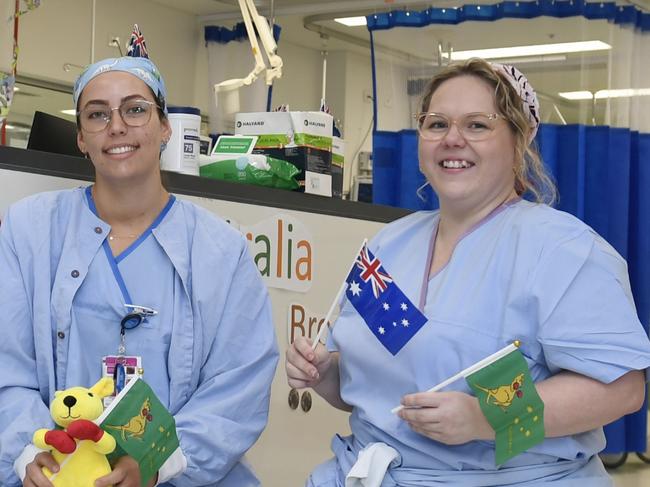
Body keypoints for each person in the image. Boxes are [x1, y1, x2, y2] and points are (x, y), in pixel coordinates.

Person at [286, 58, 650, 486]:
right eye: (437, 124)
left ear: (519, 142)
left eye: (477, 125)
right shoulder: (389, 245)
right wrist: (327, 374)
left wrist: (484, 419)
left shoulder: (563, 250)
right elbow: (382, 381)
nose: (452, 139)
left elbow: (622, 390)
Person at [0, 55, 278, 487]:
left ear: (164, 127)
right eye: (97, 114)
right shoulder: (29, 231)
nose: (116, 126)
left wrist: (155, 462)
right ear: (81, 138)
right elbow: (6, 367)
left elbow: (238, 386)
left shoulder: (220, 252)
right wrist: (29, 452)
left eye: (135, 109)